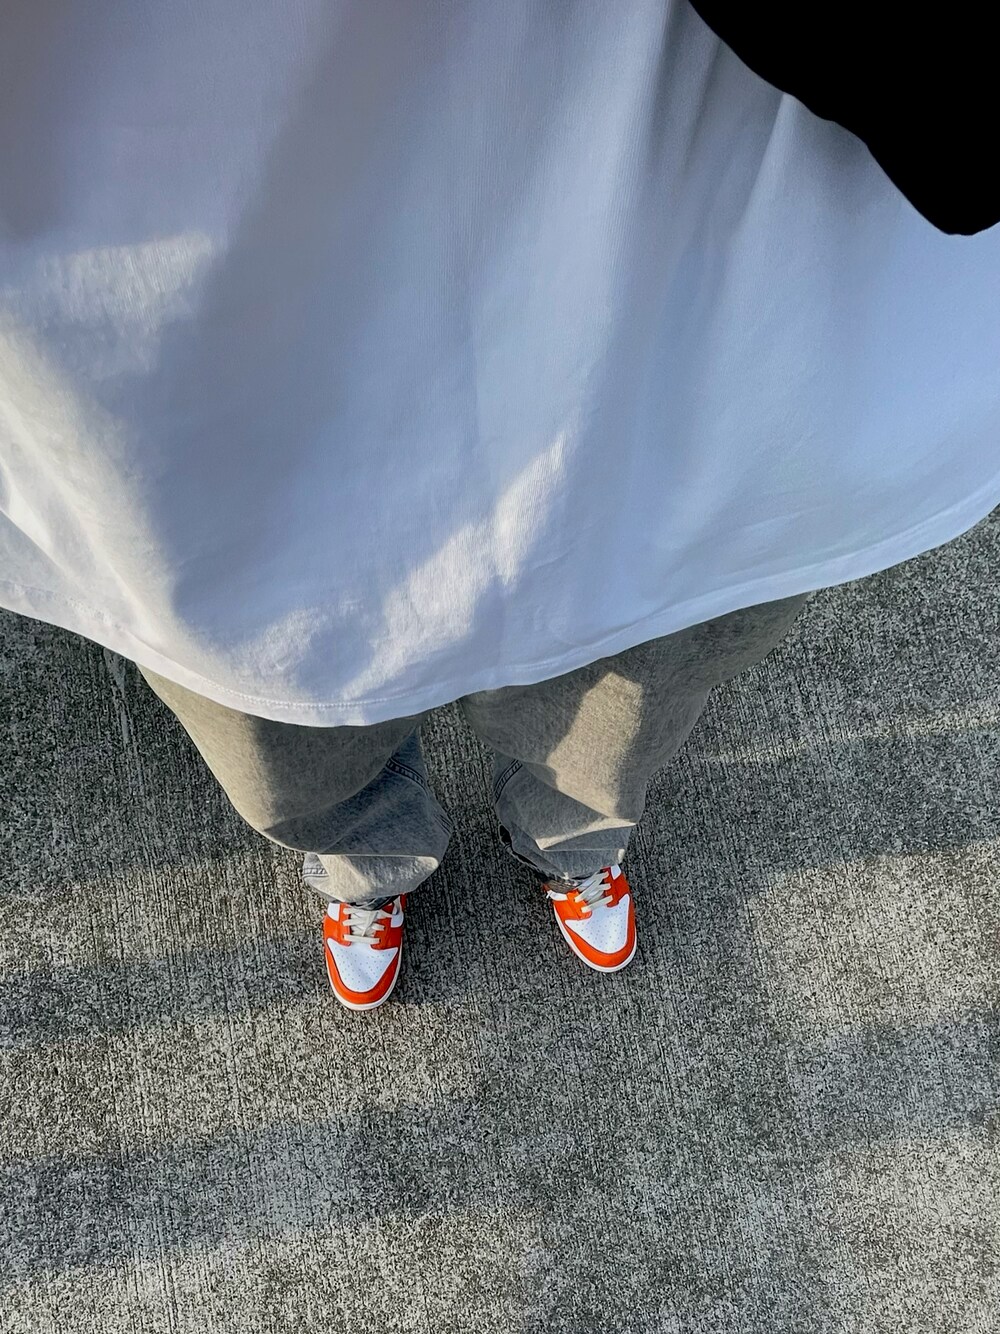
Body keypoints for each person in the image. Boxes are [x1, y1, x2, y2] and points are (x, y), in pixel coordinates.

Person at [2, 2, 998, 1012]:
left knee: (637, 670)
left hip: (688, 250)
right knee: (273, 701)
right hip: (207, 297)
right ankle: (366, 859)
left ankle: (574, 840)